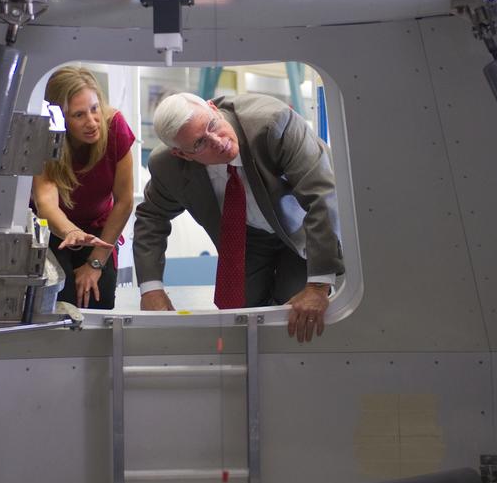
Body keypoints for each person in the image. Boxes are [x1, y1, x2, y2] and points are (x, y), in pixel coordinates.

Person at [133, 91, 343, 343]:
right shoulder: (167, 166)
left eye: (213, 124)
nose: (217, 141)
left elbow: (323, 196)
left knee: (295, 310)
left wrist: (318, 286)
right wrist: (151, 289)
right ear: (183, 154)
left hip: (305, 229)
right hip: (247, 235)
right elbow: (151, 219)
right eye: (200, 143)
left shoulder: (273, 124)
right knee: (238, 313)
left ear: (212, 107)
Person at [31, 66, 135, 310]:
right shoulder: (45, 136)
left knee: (100, 293)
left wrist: (95, 264)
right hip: (55, 229)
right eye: (78, 115)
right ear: (61, 118)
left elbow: (124, 202)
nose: (92, 122)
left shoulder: (115, 127)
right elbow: (45, 203)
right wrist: (70, 231)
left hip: (99, 228)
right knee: (62, 294)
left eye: (94, 108)